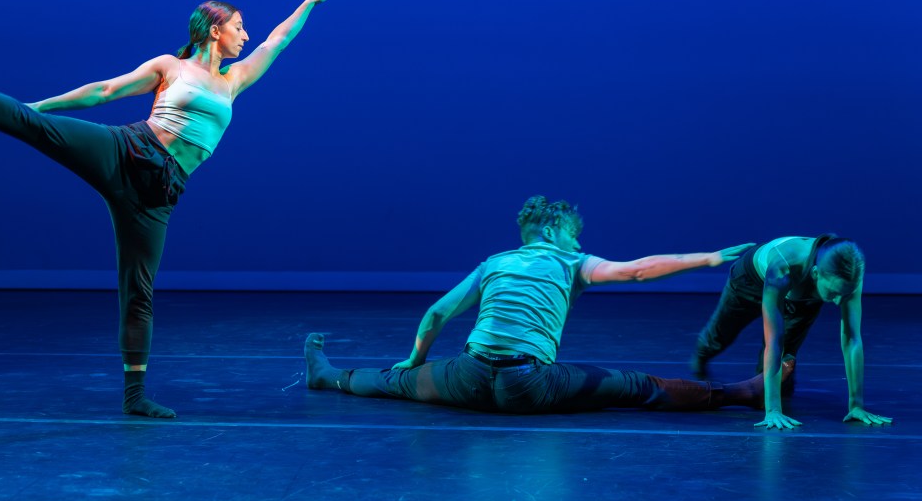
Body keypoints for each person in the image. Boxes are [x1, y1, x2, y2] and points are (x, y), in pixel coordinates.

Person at [0, 0, 345, 418]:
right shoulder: (171, 66)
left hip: (159, 193)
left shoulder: (235, 80)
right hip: (126, 150)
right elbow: (105, 90)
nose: (246, 35)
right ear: (215, 29)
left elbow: (277, 41)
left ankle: (135, 396)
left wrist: (309, 2)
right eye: (239, 26)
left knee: (139, 290)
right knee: (30, 122)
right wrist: (39, 109)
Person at [304, 195, 790, 415]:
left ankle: (327, 377)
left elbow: (436, 313)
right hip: (529, 385)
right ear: (555, 231)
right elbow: (638, 269)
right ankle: (738, 395)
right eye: (575, 234)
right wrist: (712, 257)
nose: (580, 241)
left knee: (396, 383)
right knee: (640, 387)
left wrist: (416, 360)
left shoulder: (495, 262)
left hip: (469, 378)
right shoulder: (568, 263)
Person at [689, 235, 893, 429]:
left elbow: (852, 339)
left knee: (784, 372)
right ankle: (701, 355)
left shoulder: (850, 273)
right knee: (720, 337)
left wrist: (856, 405)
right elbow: (773, 341)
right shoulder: (783, 267)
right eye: (834, 293)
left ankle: (762, 392)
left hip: (803, 295)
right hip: (748, 283)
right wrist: (773, 410)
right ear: (815, 273)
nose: (839, 301)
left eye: (845, 294)